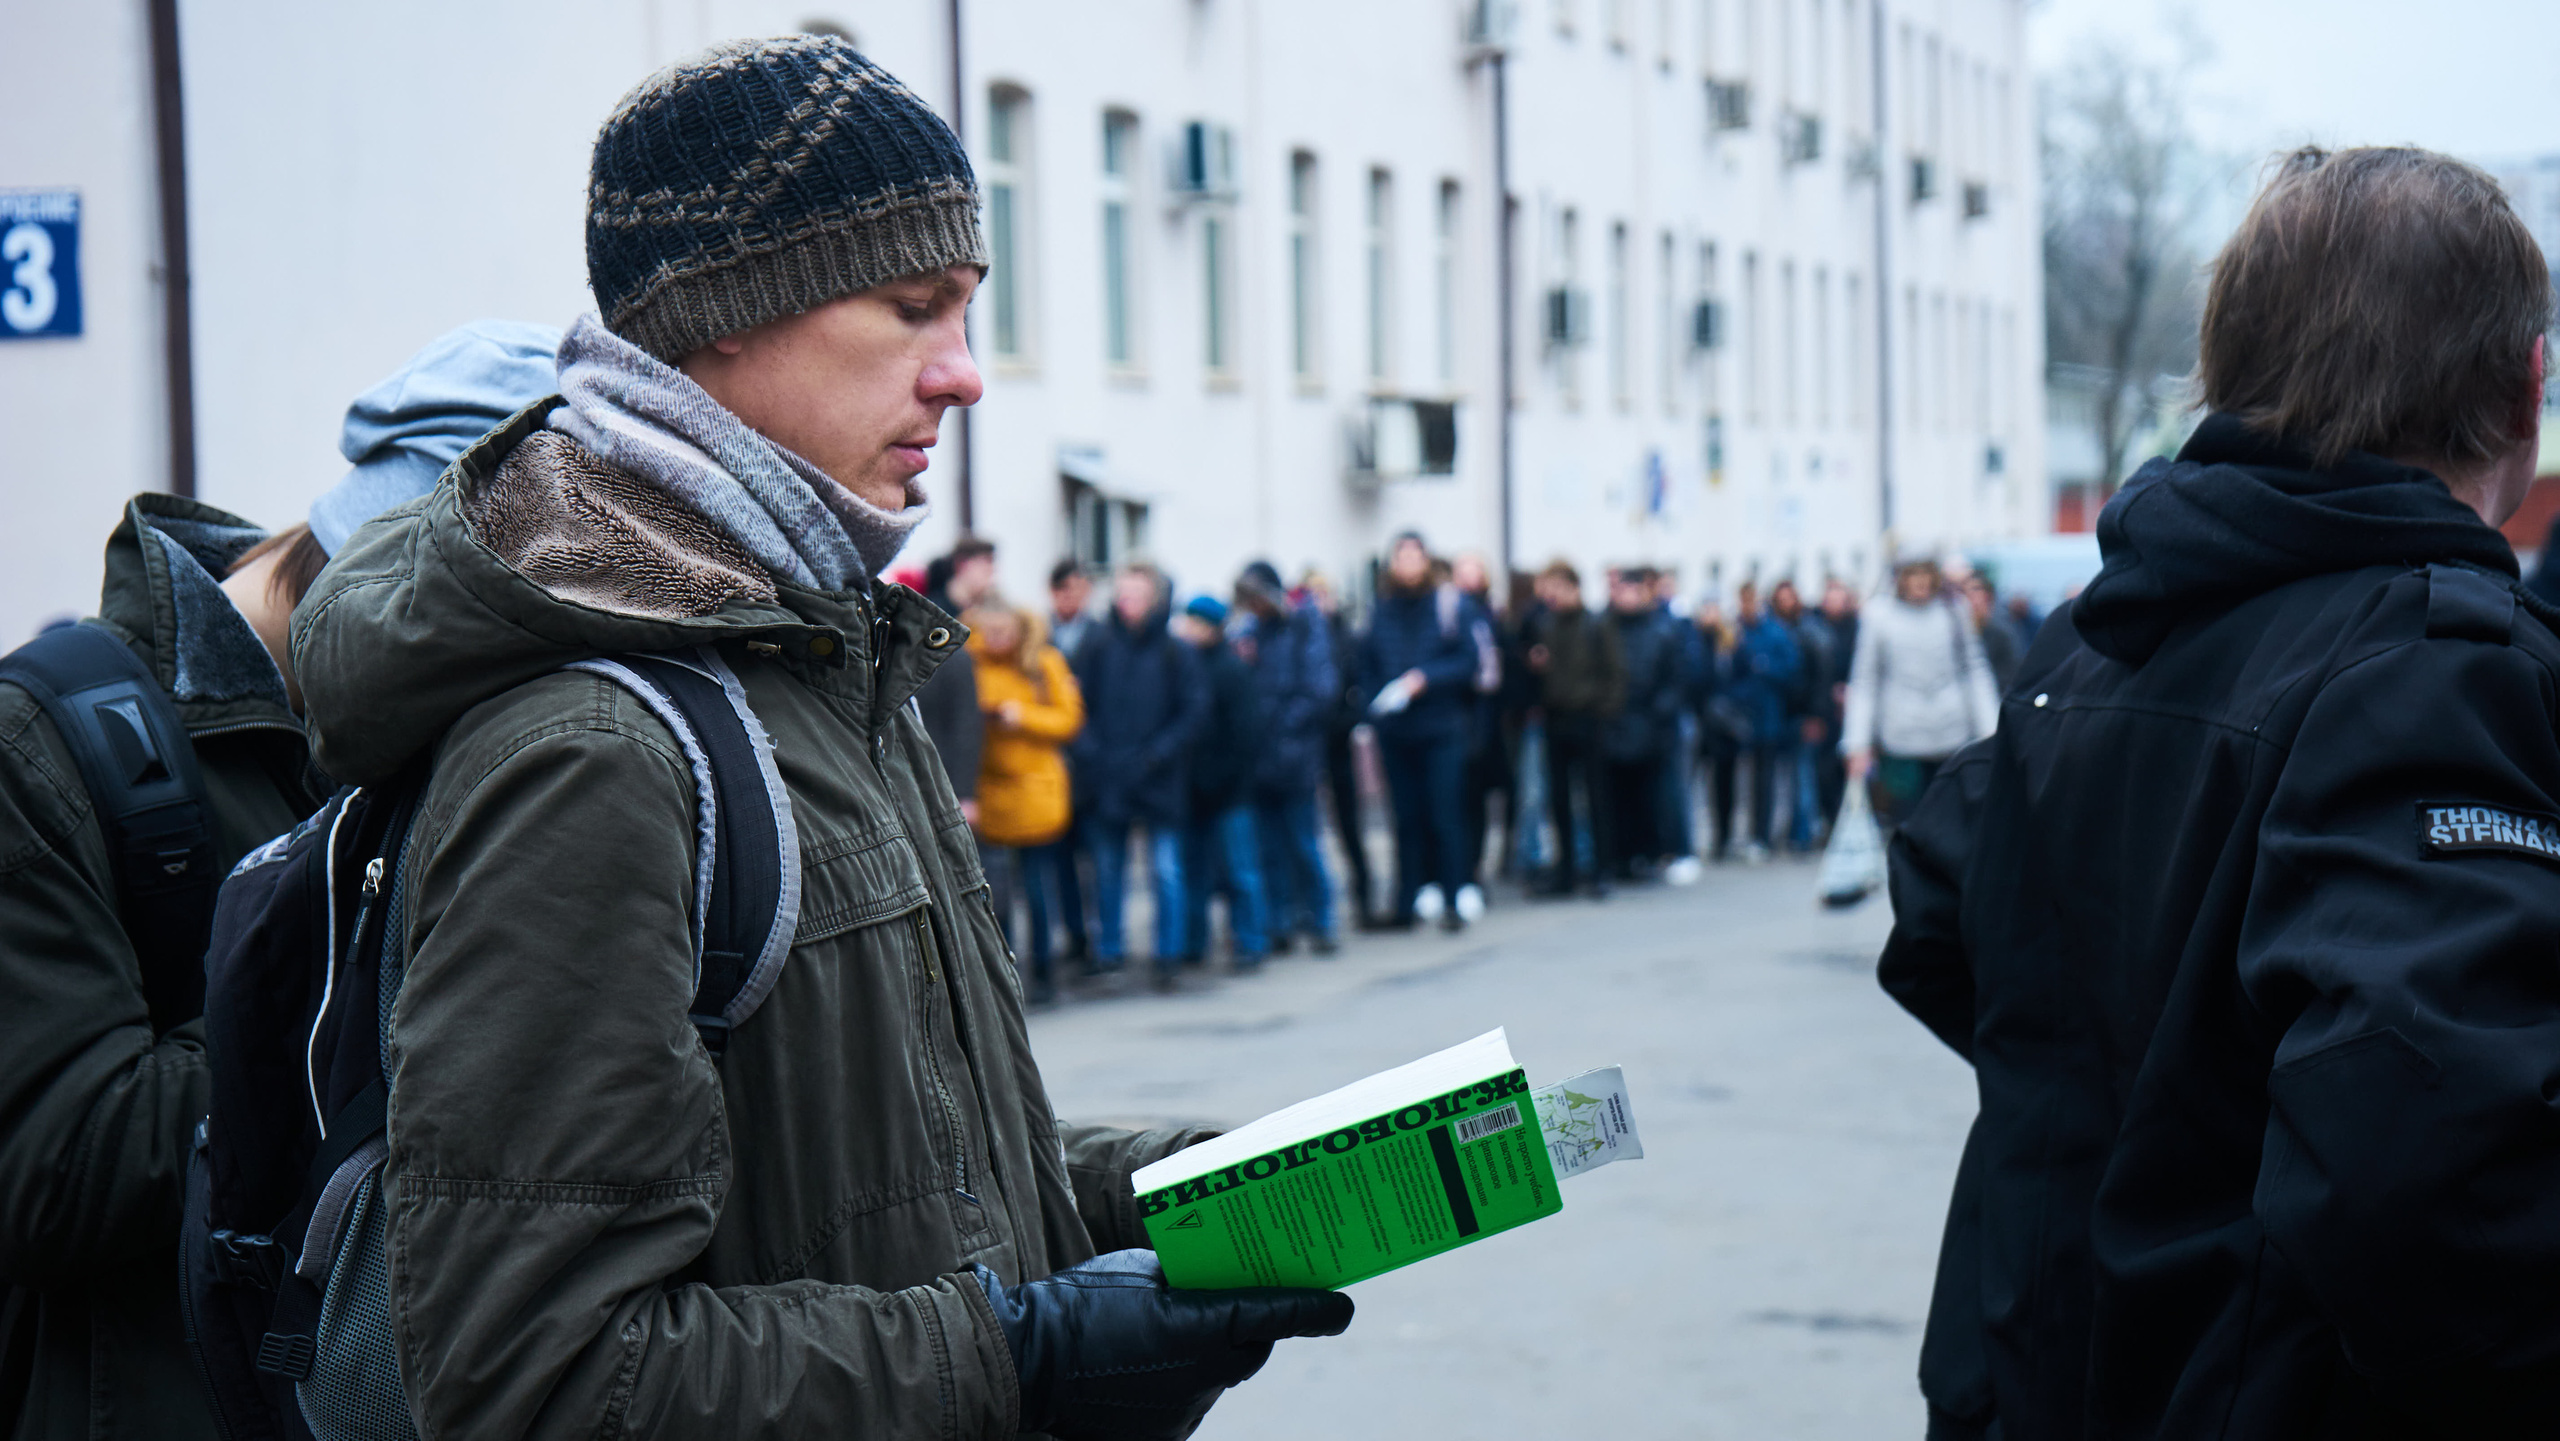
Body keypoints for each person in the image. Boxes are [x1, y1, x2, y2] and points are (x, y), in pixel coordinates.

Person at [289, 39, 1347, 1439]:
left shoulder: (821, 660)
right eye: (914, 309)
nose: (965, 377)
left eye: (968, 313)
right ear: (727, 312)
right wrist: (1018, 1354)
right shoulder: (594, 751)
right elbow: (535, 1378)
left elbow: (889, 1180)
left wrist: (1189, 1196)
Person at [1880, 145, 2560, 1437]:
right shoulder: (2432, 671)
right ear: (2525, 388)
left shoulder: (2090, 641)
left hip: (2030, 1380)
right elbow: (2437, 1178)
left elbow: (1939, 917)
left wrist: (2158, 1090)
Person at [0, 319, 556, 1441]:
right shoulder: (43, 750)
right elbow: (52, 1169)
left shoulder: (419, 741)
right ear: (379, 575)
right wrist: (390, 971)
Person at [1073, 563, 1209, 983]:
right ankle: (1109, 950)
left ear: (1152, 599)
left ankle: (1169, 952)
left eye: (1136, 593)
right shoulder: (1097, 647)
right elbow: (1076, 705)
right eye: (1122, 592)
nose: (1127, 601)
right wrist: (1095, 754)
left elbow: (1193, 712)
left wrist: (1158, 755)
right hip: (1111, 775)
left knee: (1166, 870)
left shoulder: (1175, 650)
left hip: (1159, 777)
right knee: (1108, 868)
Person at [1356, 534, 1482, 930]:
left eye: (1415, 557)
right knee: (1405, 818)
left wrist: (1425, 678)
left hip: (1440, 726)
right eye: (1401, 557)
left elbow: (1468, 660)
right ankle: (1406, 901)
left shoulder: (1449, 605)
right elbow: (1367, 664)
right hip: (1397, 729)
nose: (1408, 564)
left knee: (1445, 815)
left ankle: (1453, 897)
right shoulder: (1382, 610)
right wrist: (1376, 704)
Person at [962, 595, 1083, 1004]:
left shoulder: (1042, 662)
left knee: (1037, 888)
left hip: (1036, 791)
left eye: (1003, 632)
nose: (996, 640)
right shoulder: (969, 663)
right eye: (989, 632)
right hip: (991, 791)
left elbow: (1069, 719)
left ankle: (1046, 972)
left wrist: (1023, 715)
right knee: (995, 891)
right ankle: (1005, 971)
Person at [1840, 555, 1998, 831]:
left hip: (1951, 736)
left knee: (1951, 827)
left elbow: (1975, 670)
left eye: (1926, 573)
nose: (1920, 582)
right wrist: (1857, 743)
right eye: (1913, 574)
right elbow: (1865, 680)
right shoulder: (1879, 615)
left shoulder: (1953, 610)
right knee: (1908, 827)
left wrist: (1991, 731)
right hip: (1901, 740)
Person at [1235, 559, 1339, 955]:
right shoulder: (1249, 634)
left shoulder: (1305, 625)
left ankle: (1322, 920)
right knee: (1270, 848)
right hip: (1262, 758)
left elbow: (1319, 689)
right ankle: (1279, 922)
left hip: (1295, 756)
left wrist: (1282, 728)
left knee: (1304, 843)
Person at [1173, 595, 1271, 973]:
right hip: (1192, 791)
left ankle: (1251, 942)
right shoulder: (1184, 665)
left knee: (1240, 871)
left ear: (1211, 627)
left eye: (1194, 623)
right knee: (1194, 872)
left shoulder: (1232, 671)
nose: (1186, 629)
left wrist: (1222, 780)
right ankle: (1194, 944)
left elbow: (1246, 736)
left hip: (1230, 793)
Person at [1523, 560, 1624, 897]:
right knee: (1560, 799)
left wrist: (1602, 711)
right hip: (1556, 719)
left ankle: (1601, 870)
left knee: (1596, 798)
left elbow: (1614, 673)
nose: (1551, 596)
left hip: (1589, 719)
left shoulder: (1596, 624)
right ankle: (1566, 870)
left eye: (1557, 588)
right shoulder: (1545, 625)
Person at [1306, 569, 1383, 929]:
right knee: (1308, 825)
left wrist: (1349, 719)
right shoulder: (1300, 636)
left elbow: (1359, 684)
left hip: (1337, 738)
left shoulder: (1345, 637)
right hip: (1307, 740)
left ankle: (1363, 890)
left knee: (1348, 820)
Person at [1601, 567, 1681, 878]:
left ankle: (1646, 853)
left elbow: (1673, 680)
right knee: (1616, 796)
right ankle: (1620, 855)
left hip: (1648, 725)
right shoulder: (1606, 629)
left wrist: (1658, 713)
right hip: (1615, 723)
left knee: (1647, 795)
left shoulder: (1660, 631)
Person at [1726, 581, 1802, 861]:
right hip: (1743, 718)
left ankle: (1763, 835)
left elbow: (1792, 671)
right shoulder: (1736, 632)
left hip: (1769, 718)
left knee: (1766, 780)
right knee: (1744, 781)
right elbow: (1729, 674)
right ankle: (1744, 834)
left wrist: (1766, 670)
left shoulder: (1775, 633)